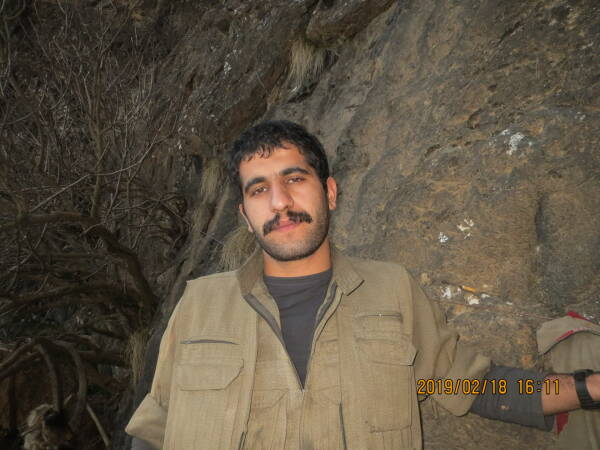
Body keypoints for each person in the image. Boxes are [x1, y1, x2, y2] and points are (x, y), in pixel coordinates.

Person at [126, 120, 600, 449]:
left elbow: (469, 385)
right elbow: (154, 430)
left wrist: (590, 387)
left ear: (329, 193)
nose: (280, 202)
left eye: (295, 178)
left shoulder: (393, 291)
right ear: (246, 217)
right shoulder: (199, 303)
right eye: (259, 189)